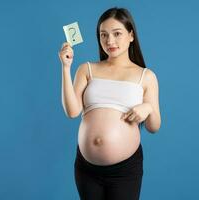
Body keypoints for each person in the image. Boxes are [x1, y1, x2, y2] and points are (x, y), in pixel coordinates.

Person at [58, 7, 161, 200]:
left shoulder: (146, 76)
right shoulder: (86, 69)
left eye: (117, 34)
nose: (109, 41)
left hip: (125, 170)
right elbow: (72, 112)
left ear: (131, 35)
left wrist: (148, 108)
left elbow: (154, 127)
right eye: (103, 35)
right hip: (86, 169)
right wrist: (66, 67)